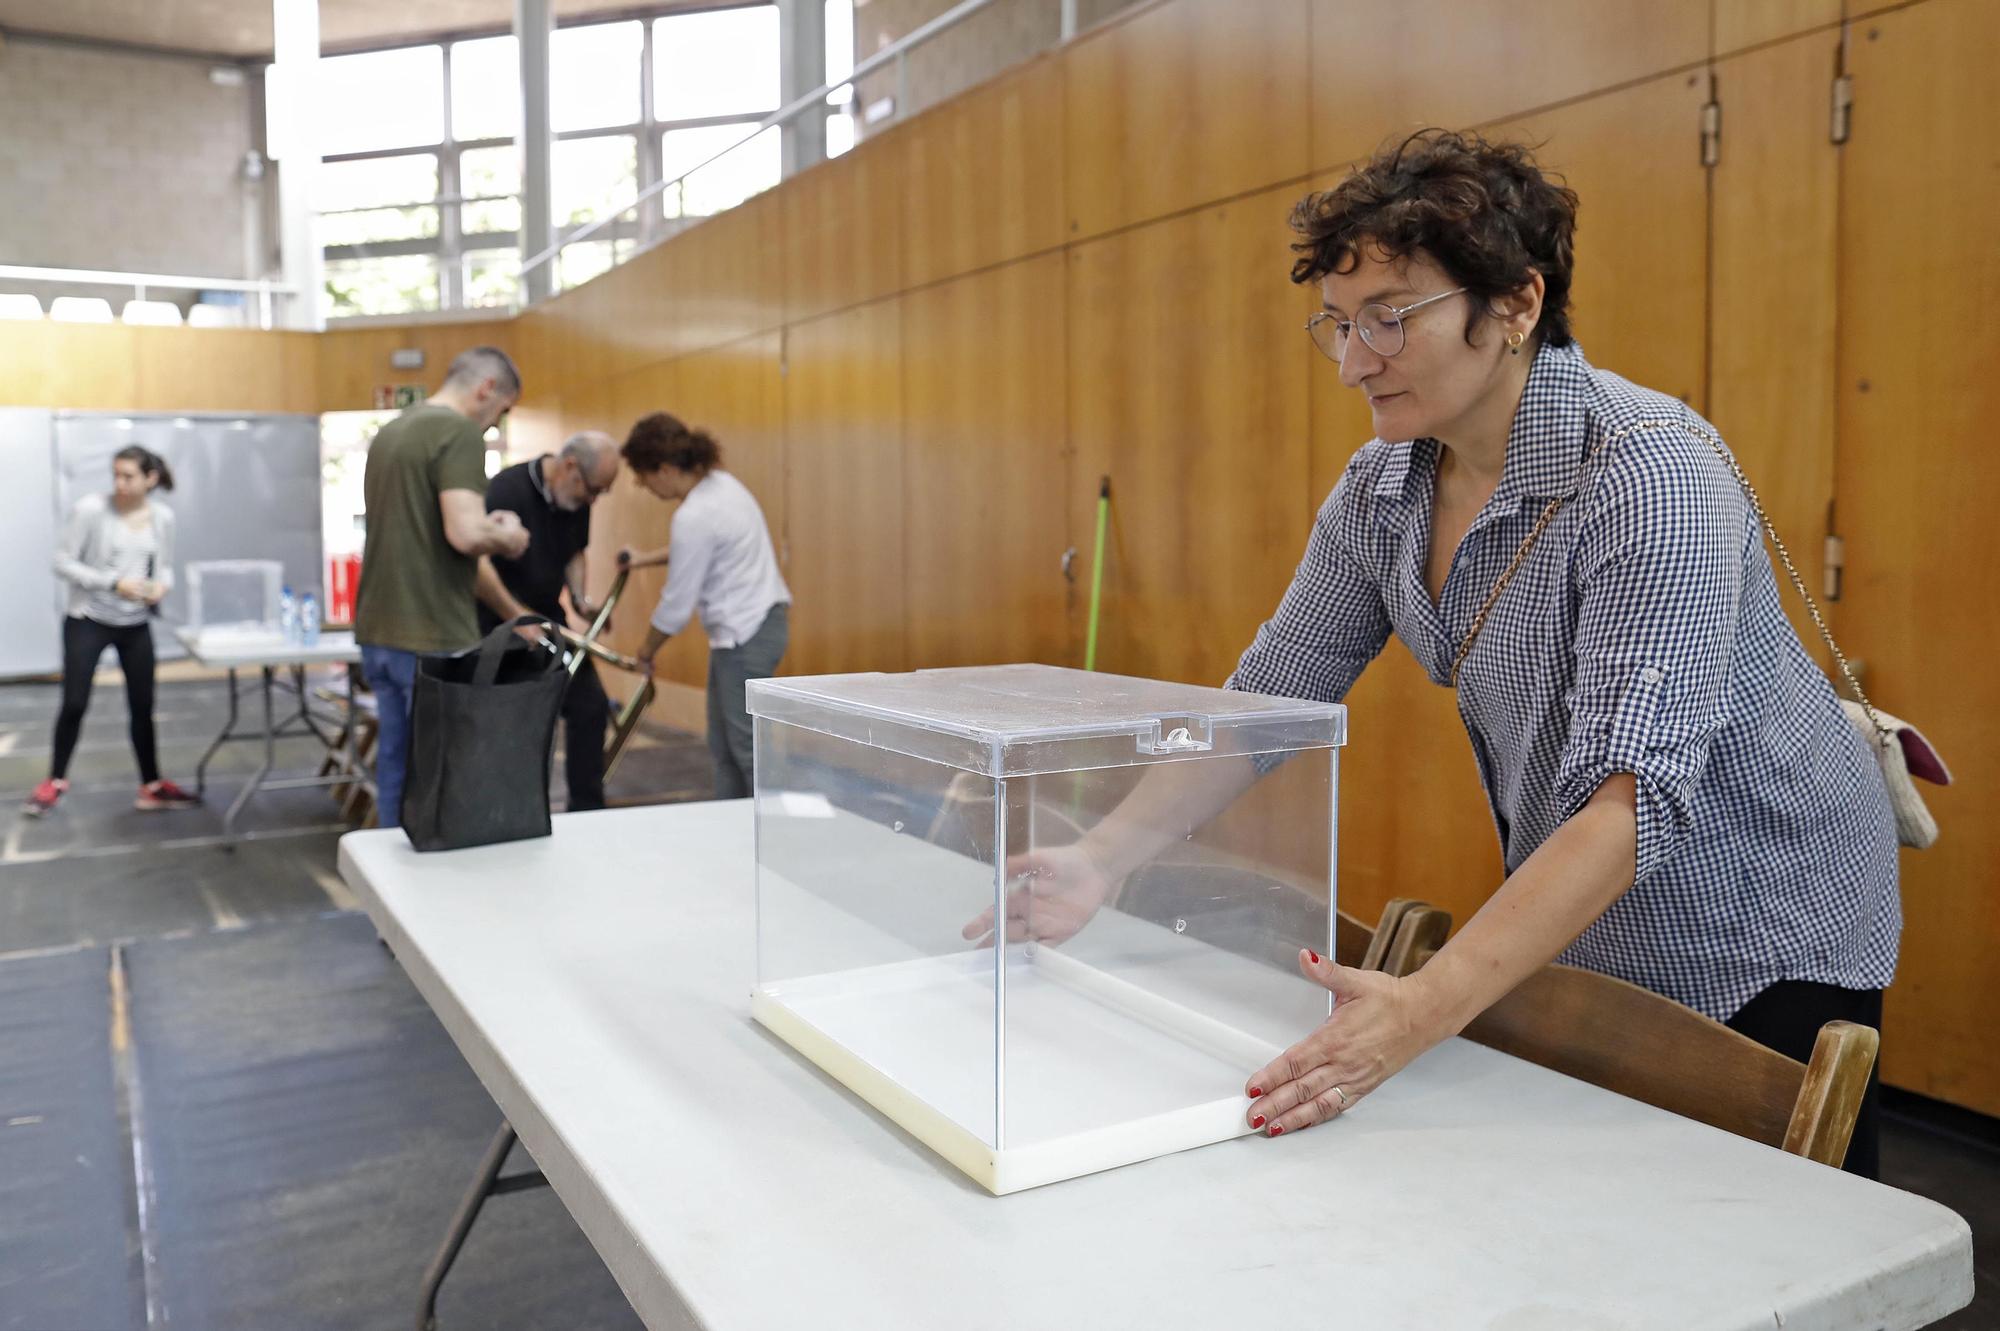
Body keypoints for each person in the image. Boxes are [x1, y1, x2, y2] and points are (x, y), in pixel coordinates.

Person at [977, 130, 1899, 1176]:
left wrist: (1423, 1007)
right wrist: (1101, 856)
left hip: (1762, 901)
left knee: (1765, 1221)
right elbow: (1268, 698)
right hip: (1587, 896)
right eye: (1334, 322)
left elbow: (1632, 797)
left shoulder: (1647, 479)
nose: (1350, 358)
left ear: (1512, 305)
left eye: (1389, 317)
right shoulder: (1383, 489)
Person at [353, 346, 532, 829]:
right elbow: (466, 534)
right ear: (486, 389)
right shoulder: (458, 432)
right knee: (443, 769)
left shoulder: (393, 431)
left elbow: (428, 531)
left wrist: (481, 523)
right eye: (502, 411)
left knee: (396, 760)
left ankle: (391, 877)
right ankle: (434, 886)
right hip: (430, 633)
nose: (494, 425)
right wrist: (509, 535)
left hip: (379, 628)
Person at [618, 413, 789, 799]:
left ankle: (774, 843)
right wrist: (642, 559)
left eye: (642, 476)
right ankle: (731, 832)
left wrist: (645, 650)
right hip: (755, 629)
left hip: (746, 638)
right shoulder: (721, 487)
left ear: (663, 469)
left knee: (746, 752)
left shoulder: (694, 514)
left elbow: (676, 608)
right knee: (725, 747)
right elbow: (698, 550)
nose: (642, 486)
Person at [24, 446, 201, 818]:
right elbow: (61, 561)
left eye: (129, 476)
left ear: (150, 479)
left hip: (134, 624)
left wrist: (161, 585)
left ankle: (151, 785)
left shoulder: (162, 517)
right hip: (88, 620)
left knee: (142, 706)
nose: (119, 483)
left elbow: (165, 566)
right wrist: (112, 582)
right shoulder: (91, 510)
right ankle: (55, 780)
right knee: (74, 702)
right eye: (116, 475)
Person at [479, 430, 622, 811]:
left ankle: (588, 809)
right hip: (499, 621)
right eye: (591, 490)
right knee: (524, 720)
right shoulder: (506, 490)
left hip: (550, 621)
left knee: (590, 706)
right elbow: (479, 571)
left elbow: (575, 551)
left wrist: (579, 599)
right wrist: (515, 617)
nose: (592, 500)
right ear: (570, 467)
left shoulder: (578, 498)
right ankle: (521, 813)